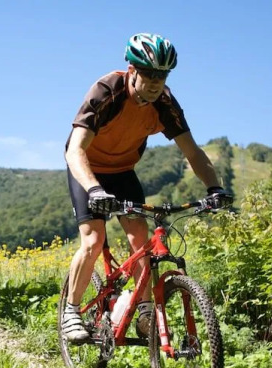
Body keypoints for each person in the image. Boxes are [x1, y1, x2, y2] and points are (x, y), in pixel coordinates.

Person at [61, 33, 232, 341]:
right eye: (149, 74)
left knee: (141, 241)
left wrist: (214, 189)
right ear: (132, 70)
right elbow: (75, 150)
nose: (155, 82)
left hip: (123, 172)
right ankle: (71, 312)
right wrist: (94, 190)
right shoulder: (107, 91)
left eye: (162, 75)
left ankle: (145, 312)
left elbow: (193, 152)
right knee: (94, 239)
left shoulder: (164, 103)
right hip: (87, 169)